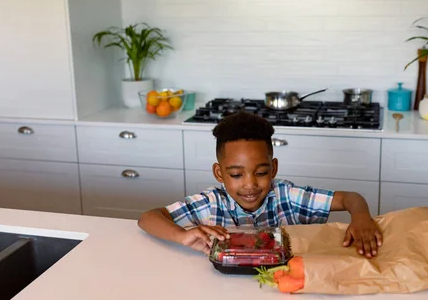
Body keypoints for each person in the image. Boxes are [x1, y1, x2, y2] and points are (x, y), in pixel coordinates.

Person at [138, 111, 383, 258]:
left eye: (262, 172)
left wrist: (361, 217)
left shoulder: (287, 196)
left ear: (273, 168)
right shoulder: (211, 203)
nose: (250, 184)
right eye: (236, 175)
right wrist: (182, 236)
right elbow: (148, 217)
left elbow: (351, 197)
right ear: (219, 173)